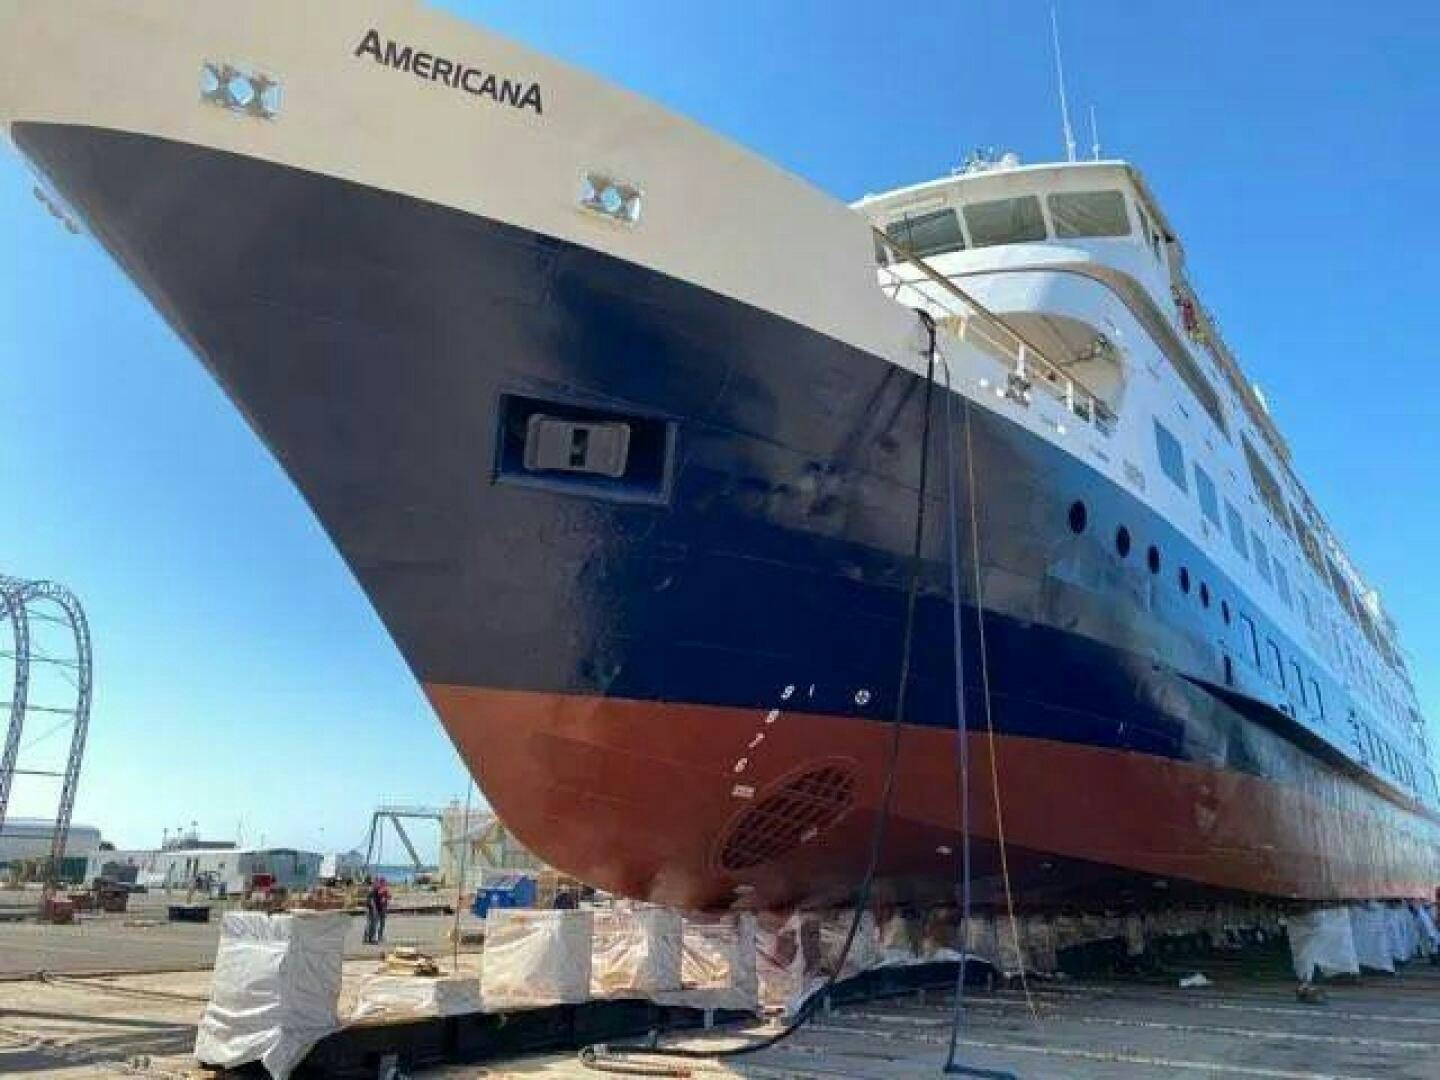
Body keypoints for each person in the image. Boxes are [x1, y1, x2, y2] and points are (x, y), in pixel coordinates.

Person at [365, 876, 391, 945]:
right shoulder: (374, 889)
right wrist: (373, 908)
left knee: (380, 924)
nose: (382, 883)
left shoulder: (384, 889)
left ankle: (378, 937)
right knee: (372, 924)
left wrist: (386, 897)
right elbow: (371, 900)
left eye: (384, 882)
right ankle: (370, 938)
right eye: (381, 882)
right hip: (375, 909)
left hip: (381, 909)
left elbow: (389, 896)